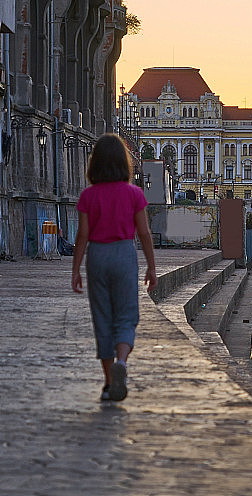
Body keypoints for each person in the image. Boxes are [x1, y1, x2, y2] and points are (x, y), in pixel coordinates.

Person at [72, 133, 157, 402]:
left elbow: (82, 235)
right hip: (123, 253)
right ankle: (122, 362)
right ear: (124, 163)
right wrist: (151, 267)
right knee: (126, 315)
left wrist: (75, 270)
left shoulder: (88, 195)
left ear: (94, 164)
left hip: (97, 255)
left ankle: (109, 384)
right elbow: (144, 233)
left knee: (103, 317)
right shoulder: (134, 194)